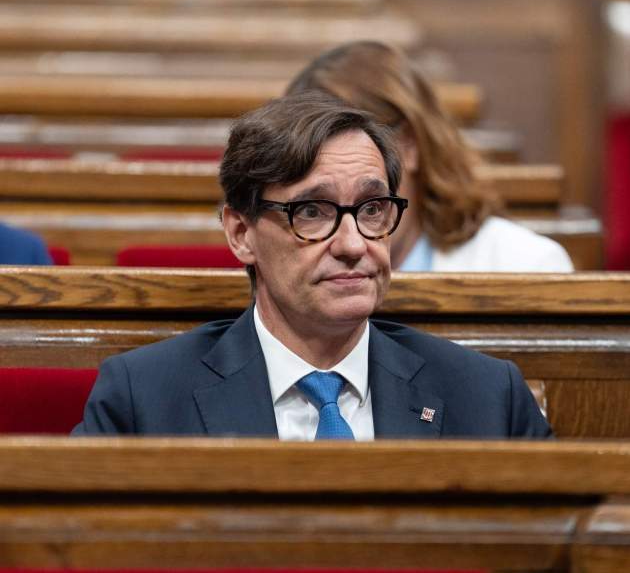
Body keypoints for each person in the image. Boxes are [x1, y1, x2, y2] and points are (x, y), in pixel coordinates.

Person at [73, 91, 551, 439]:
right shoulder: (143, 399)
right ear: (241, 234)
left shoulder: (487, 397)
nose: (353, 244)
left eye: (372, 209)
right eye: (312, 212)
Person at [286, 41, 573, 272]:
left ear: (410, 144)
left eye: (357, 153)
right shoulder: (284, 268)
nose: (347, 238)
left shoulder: (527, 264)